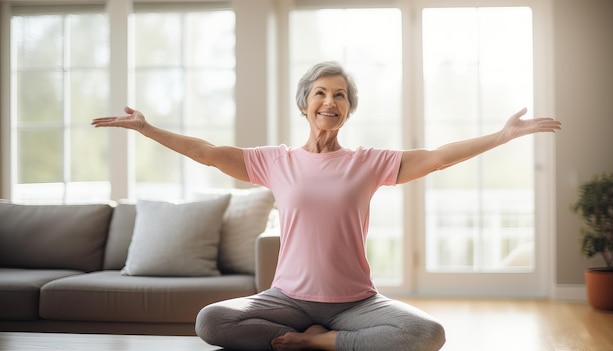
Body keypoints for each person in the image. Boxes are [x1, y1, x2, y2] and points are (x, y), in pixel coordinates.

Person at [92, 61, 561, 351]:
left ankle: (321, 344)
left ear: (349, 109)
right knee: (211, 321)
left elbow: (436, 158)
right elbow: (209, 152)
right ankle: (308, 338)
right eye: (320, 92)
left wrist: (502, 136)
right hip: (285, 299)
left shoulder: (367, 163)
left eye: (340, 95)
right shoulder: (276, 161)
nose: (330, 101)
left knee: (427, 335)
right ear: (304, 104)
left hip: (357, 304)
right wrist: (148, 129)